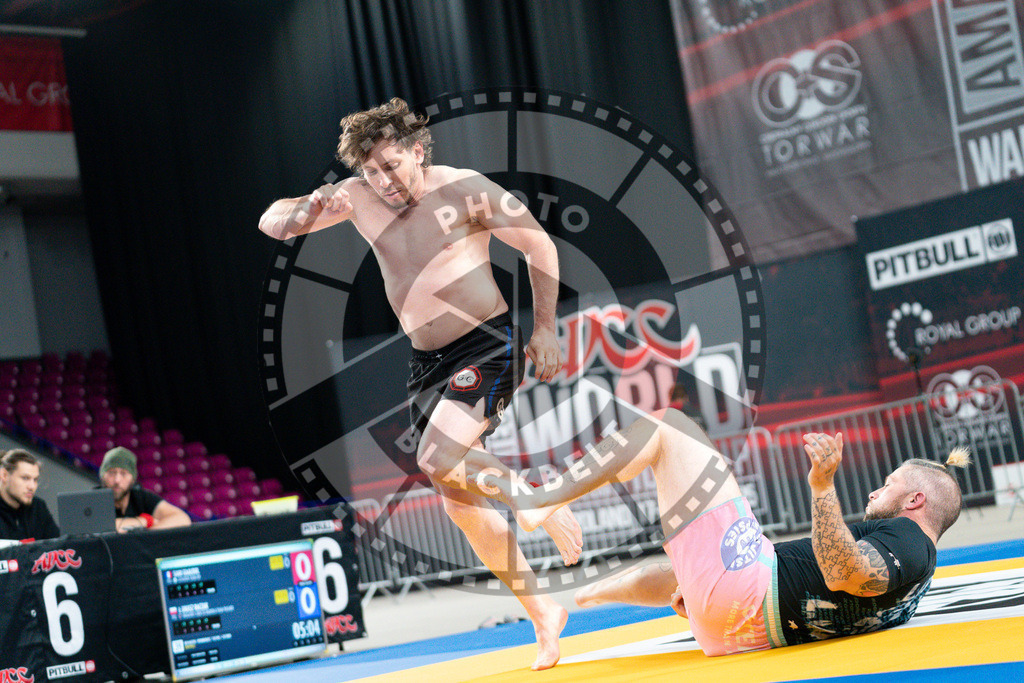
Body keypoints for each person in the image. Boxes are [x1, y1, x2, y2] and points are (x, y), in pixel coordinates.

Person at [259, 97, 582, 670]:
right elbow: (272, 222)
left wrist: (547, 329)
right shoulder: (357, 197)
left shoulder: (465, 190)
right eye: (370, 171)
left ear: (417, 150)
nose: (383, 180)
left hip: (486, 343)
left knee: (437, 457)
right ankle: (542, 614)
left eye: (392, 165)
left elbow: (540, 245)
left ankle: (537, 500)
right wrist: (308, 207)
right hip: (425, 362)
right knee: (458, 504)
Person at [511, 409, 969, 656]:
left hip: (751, 590)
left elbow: (843, 575)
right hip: (740, 631)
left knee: (668, 427)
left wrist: (823, 486)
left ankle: (544, 498)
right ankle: (588, 595)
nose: (873, 492)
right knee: (679, 575)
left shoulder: (908, 541)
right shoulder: (917, 571)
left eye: (887, 485)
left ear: (915, 502)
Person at [98, 447, 191, 532]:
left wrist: (147, 535)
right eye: (111, 473)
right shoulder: (94, 498)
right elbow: (99, 528)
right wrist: (146, 521)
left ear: (133, 478)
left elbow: (182, 519)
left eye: (123, 473)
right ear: (102, 476)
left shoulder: (140, 497)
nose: (117, 480)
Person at [0, 449, 60, 542]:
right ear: (4, 475)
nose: (32, 486)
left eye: (35, 479)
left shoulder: (38, 507)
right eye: (25, 478)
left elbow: (58, 545)